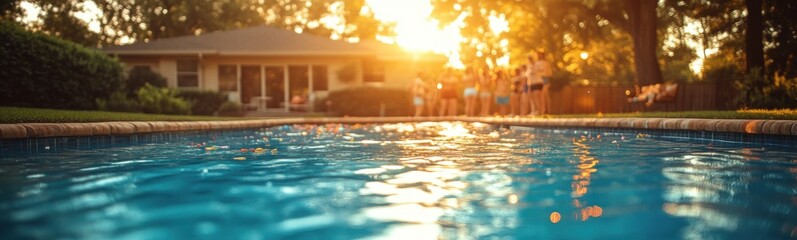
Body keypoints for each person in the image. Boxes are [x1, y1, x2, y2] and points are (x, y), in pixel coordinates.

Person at [535, 51, 553, 115]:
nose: (540, 56)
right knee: (539, 96)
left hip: (545, 79)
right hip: (538, 81)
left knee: (545, 95)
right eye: (539, 55)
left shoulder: (546, 63)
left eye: (541, 55)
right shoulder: (536, 63)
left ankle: (548, 110)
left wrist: (545, 75)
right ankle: (541, 110)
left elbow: (550, 73)